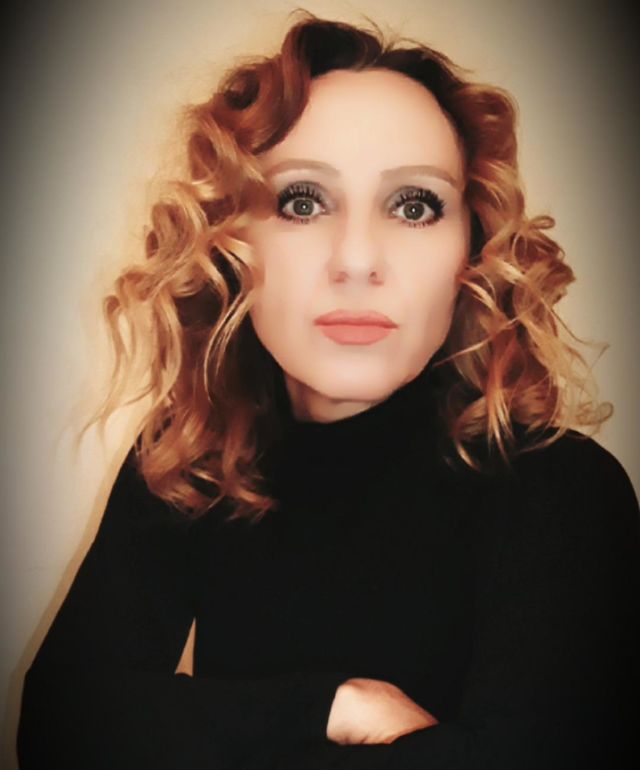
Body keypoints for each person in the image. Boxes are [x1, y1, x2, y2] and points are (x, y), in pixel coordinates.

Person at [17, 10, 639, 770]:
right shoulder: (191, 461)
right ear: (230, 244)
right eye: (303, 201)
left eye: (414, 205)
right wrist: (336, 709)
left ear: (471, 252)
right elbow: (59, 726)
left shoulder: (562, 490)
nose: (357, 259)